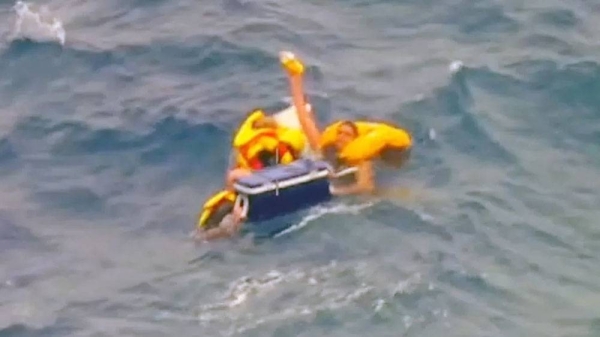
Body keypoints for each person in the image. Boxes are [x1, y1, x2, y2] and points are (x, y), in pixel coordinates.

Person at [279, 51, 411, 196]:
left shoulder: (361, 159)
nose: (341, 136)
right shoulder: (324, 148)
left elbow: (365, 187)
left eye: (347, 134)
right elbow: (304, 117)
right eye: (340, 132)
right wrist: (295, 76)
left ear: (354, 139)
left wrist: (333, 192)